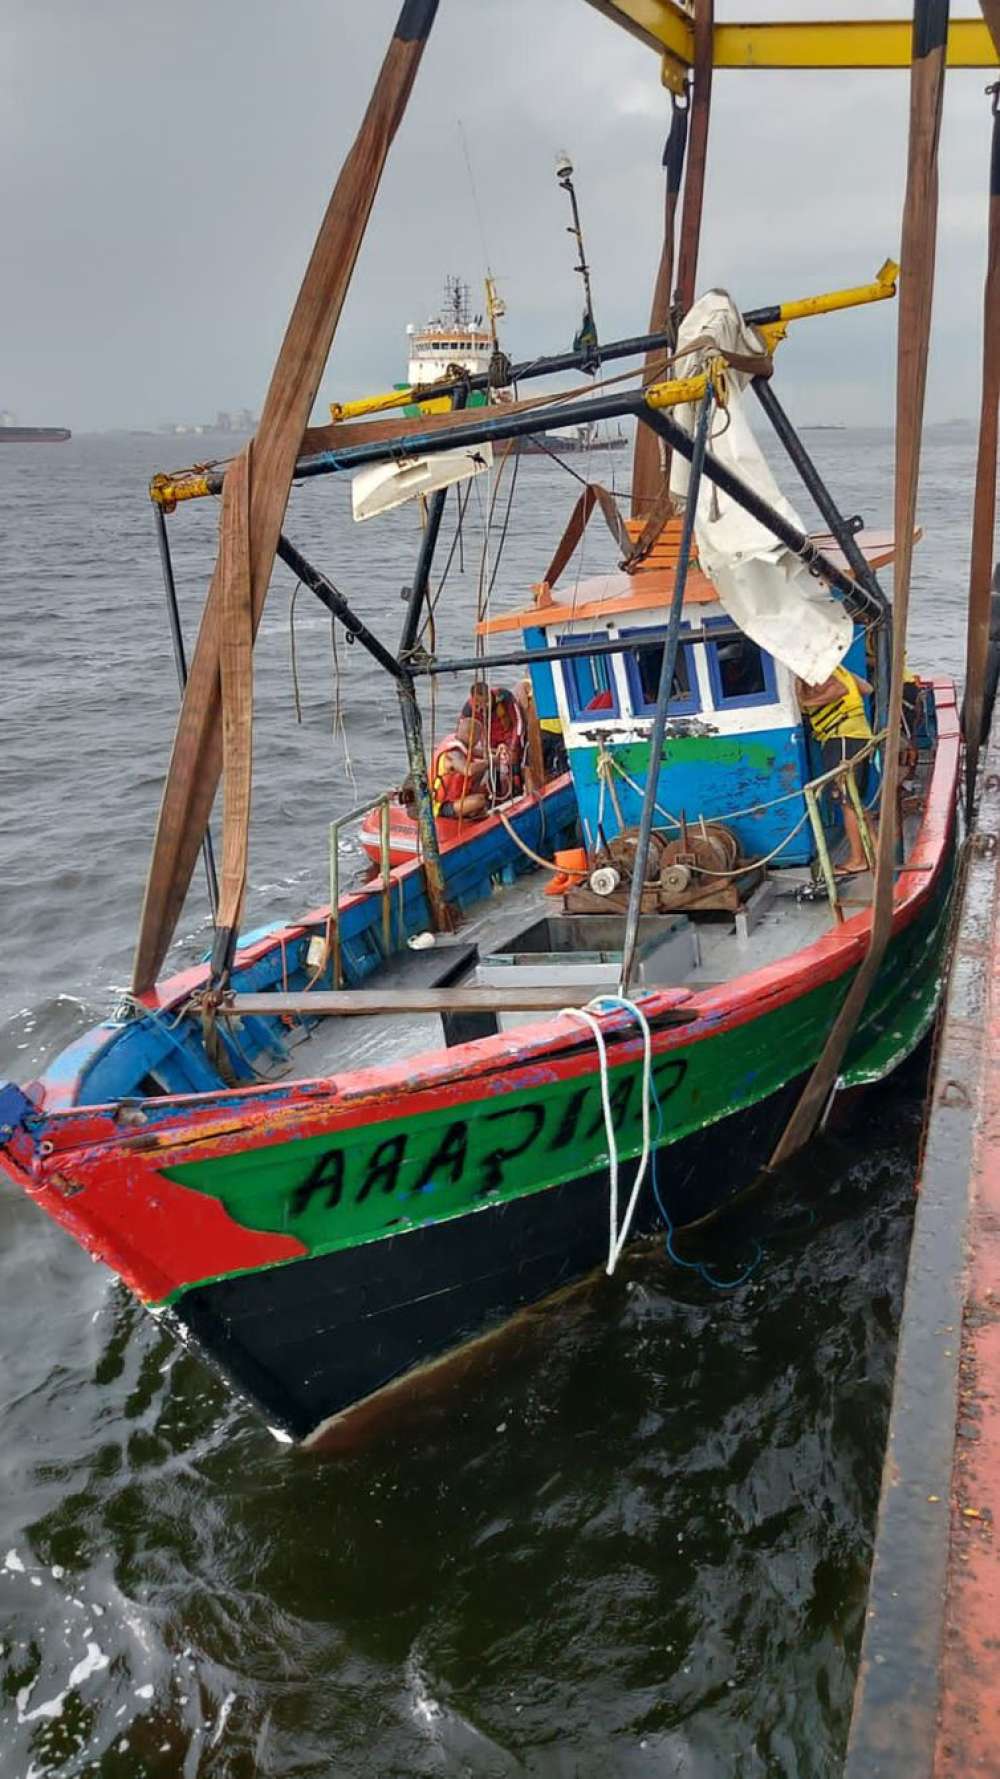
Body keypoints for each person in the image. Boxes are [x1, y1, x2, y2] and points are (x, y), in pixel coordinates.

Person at [797, 664, 875, 875]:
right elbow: (866, 688)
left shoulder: (813, 668)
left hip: (842, 737)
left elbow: (839, 689)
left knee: (846, 801)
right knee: (854, 800)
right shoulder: (838, 667)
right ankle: (875, 849)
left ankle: (858, 860)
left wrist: (805, 702)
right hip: (859, 735)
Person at [461, 681, 525, 801]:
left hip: (509, 736)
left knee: (514, 761)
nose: (483, 707)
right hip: (489, 741)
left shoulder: (504, 696)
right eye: (478, 704)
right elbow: (462, 735)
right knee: (491, 766)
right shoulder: (468, 710)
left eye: (485, 702)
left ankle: (517, 790)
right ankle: (496, 795)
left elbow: (518, 721)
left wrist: (513, 746)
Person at [430, 717, 488, 820]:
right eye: (478, 738)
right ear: (470, 736)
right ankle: (464, 812)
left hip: (455, 797)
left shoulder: (458, 742)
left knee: (480, 768)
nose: (478, 741)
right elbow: (468, 770)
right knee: (480, 800)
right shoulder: (454, 753)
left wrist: (497, 753)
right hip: (441, 805)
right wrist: (489, 763)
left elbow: (479, 752)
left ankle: (469, 808)